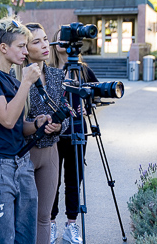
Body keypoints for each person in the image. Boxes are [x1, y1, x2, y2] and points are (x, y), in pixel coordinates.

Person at [0, 16, 56, 243]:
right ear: (3, 48)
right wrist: (27, 82)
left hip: (22, 165)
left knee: (26, 238)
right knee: (2, 240)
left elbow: (17, 127)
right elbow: (7, 119)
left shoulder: (13, 81)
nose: (25, 52)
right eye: (21, 46)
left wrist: (37, 124)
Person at [13, 23, 69, 244]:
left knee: (45, 217)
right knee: (22, 217)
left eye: (45, 39)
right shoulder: (14, 77)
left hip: (51, 153)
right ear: (25, 48)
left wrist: (58, 126)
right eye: (37, 41)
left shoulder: (56, 75)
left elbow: (66, 111)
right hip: (25, 153)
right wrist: (35, 123)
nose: (45, 45)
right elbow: (12, 119)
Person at [49, 29, 99, 244]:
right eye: (62, 36)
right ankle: (49, 224)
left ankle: (71, 225)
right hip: (52, 134)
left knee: (73, 181)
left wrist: (90, 105)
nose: (66, 41)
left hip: (78, 132)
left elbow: (96, 95)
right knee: (51, 182)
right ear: (55, 41)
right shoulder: (47, 70)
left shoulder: (83, 71)